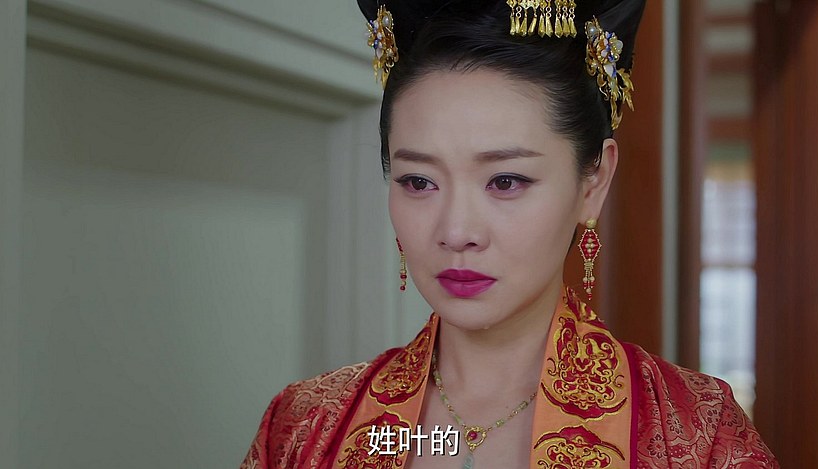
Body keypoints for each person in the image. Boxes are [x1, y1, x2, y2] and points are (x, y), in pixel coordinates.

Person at [240, 0, 779, 467]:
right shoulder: (303, 426)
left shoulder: (698, 434)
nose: (456, 232)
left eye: (505, 181)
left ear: (593, 182)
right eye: (419, 181)